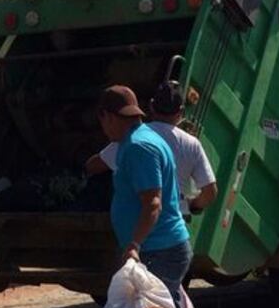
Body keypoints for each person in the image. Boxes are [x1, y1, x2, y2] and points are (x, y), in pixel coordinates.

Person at [95, 84, 192, 308]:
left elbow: (153, 203)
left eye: (102, 121)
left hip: (159, 249)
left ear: (109, 116)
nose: (103, 129)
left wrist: (134, 245)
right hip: (162, 247)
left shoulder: (139, 147)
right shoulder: (142, 138)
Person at [87, 81, 218, 216]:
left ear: (151, 105)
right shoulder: (192, 144)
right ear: (181, 112)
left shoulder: (134, 136)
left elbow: (93, 166)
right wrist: (191, 205)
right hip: (173, 220)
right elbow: (210, 192)